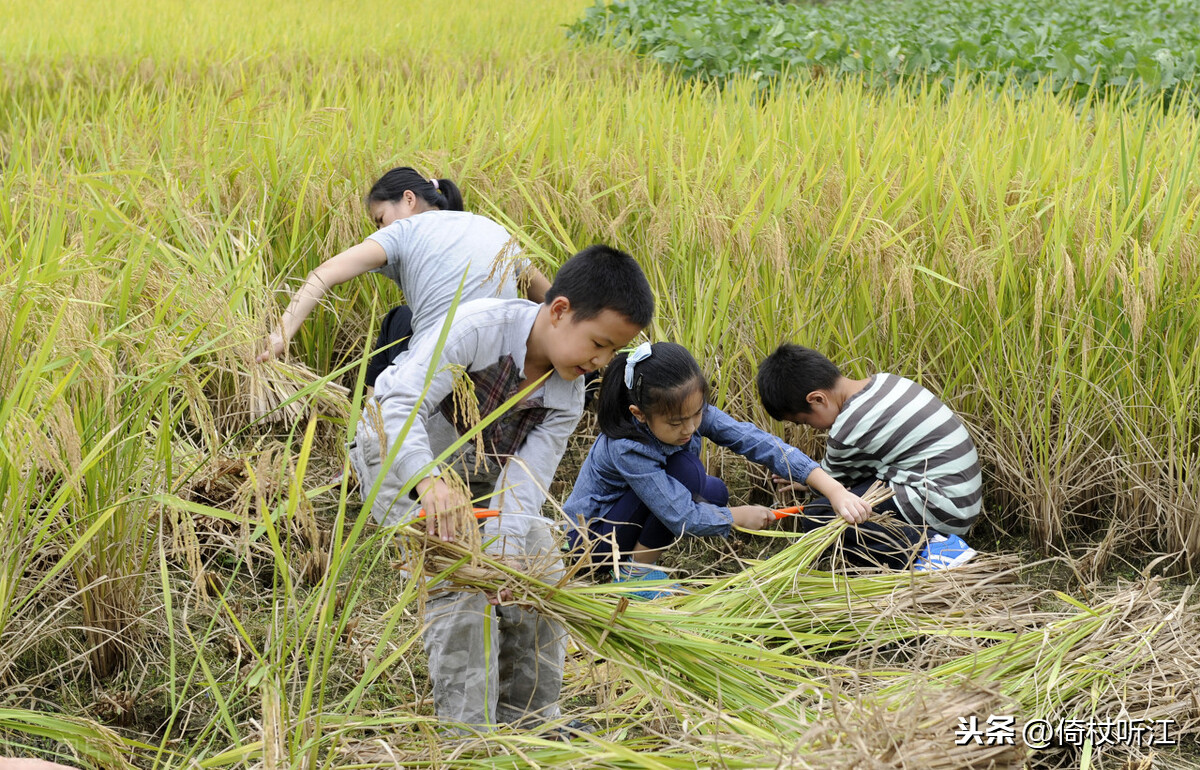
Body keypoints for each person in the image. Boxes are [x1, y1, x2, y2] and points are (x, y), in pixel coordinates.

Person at [348, 244, 653, 732]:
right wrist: (428, 481)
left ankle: (529, 722)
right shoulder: (475, 329)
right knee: (461, 580)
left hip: (480, 474)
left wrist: (509, 554)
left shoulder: (568, 392)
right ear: (559, 311)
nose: (601, 361)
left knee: (541, 574)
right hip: (398, 454)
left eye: (613, 352)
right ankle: (470, 739)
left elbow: (523, 483)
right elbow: (398, 406)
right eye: (598, 343)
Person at [563, 341, 872, 597]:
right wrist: (736, 517)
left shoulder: (689, 411)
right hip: (592, 543)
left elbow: (756, 441)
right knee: (684, 472)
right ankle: (633, 577)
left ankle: (638, 565)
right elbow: (681, 515)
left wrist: (832, 488)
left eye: (696, 414)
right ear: (639, 414)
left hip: (625, 524)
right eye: (676, 423)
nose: (689, 428)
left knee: (713, 491)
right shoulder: (627, 446)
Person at [257, 166, 549, 388]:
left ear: (408, 199)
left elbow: (324, 273)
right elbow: (549, 297)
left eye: (381, 219)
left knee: (397, 321)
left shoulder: (404, 231)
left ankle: (368, 431)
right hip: (507, 371)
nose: (381, 229)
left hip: (442, 369)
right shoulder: (491, 227)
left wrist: (279, 336)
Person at [756, 343, 980, 571]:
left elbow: (833, 483)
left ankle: (930, 549)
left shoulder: (848, 429)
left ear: (817, 399)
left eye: (804, 421)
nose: (811, 428)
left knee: (819, 515)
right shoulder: (886, 382)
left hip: (943, 508)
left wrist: (810, 482)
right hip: (960, 498)